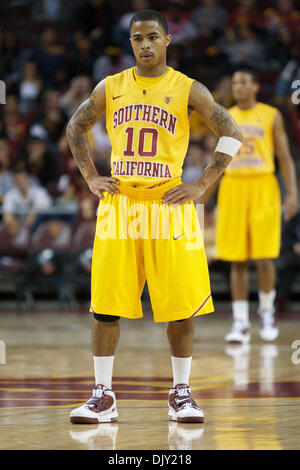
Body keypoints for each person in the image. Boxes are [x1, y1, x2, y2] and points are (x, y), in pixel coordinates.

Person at [66, 9, 243, 425]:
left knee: (179, 306)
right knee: (105, 305)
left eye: (151, 37)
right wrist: (91, 176)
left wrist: (201, 185)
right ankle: (102, 396)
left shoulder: (187, 88)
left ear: (167, 40)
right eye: (136, 38)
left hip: (169, 205)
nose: (144, 45)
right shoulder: (110, 87)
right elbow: (76, 127)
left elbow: (233, 133)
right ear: (130, 43)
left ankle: (181, 392)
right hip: (121, 204)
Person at [215, 69, 298, 344]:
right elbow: (218, 159)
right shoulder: (225, 116)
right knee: (236, 259)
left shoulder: (271, 114)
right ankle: (240, 321)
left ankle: (266, 312)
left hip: (263, 184)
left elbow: (284, 157)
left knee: (265, 256)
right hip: (233, 185)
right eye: (235, 82)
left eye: (243, 82)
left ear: (255, 86)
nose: (237, 86)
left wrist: (292, 194)